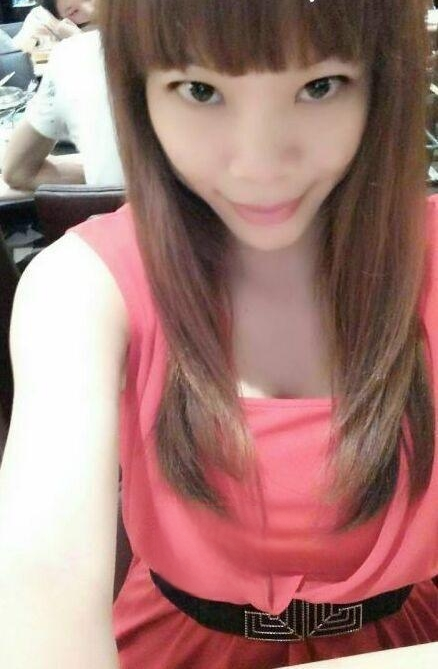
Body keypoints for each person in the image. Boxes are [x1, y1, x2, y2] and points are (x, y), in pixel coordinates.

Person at [0, 1, 437, 668]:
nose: (258, 165)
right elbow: (40, 594)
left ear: (384, 81)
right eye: (200, 90)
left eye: (320, 86)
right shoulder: (84, 286)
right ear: (139, 90)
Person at [2, 28, 124, 189]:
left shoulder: (76, 54)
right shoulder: (76, 54)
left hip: (117, 202)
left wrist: (103, 174)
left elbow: (18, 173)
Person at [11, 0, 94, 54]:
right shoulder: (43, 18)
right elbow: (17, 54)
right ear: (60, 18)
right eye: (74, 12)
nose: (90, 9)